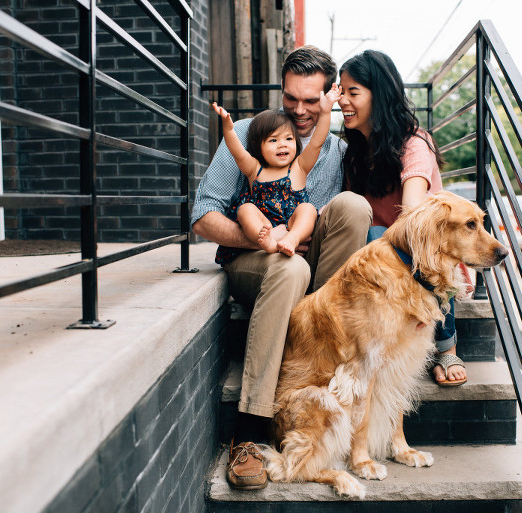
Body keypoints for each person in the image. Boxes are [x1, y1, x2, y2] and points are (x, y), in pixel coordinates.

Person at [191, 46, 371, 491]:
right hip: (261, 262)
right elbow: (203, 214)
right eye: (292, 98)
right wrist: (261, 235)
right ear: (282, 90)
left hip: (310, 264)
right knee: (289, 270)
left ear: (329, 94)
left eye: (312, 101)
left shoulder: (335, 149)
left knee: (352, 206)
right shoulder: (254, 134)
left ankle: (323, 352)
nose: (300, 110)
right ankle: (249, 432)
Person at [337, 49, 470, 387]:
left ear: (378, 96)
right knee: (363, 238)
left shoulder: (414, 144)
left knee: (375, 238)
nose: (342, 100)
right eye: (341, 91)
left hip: (423, 252)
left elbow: (412, 217)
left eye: (353, 92)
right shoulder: (356, 151)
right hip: (382, 257)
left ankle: (445, 346)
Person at [210, 82, 340, 259]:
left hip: (291, 224)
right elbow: (237, 152)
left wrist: (325, 111)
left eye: (288, 138)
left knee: (308, 209)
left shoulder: (299, 167)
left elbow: (317, 141)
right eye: (273, 140)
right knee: (245, 209)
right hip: (265, 226)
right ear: (259, 146)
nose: (282, 145)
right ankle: (267, 242)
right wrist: (228, 128)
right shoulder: (255, 169)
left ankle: (292, 240)